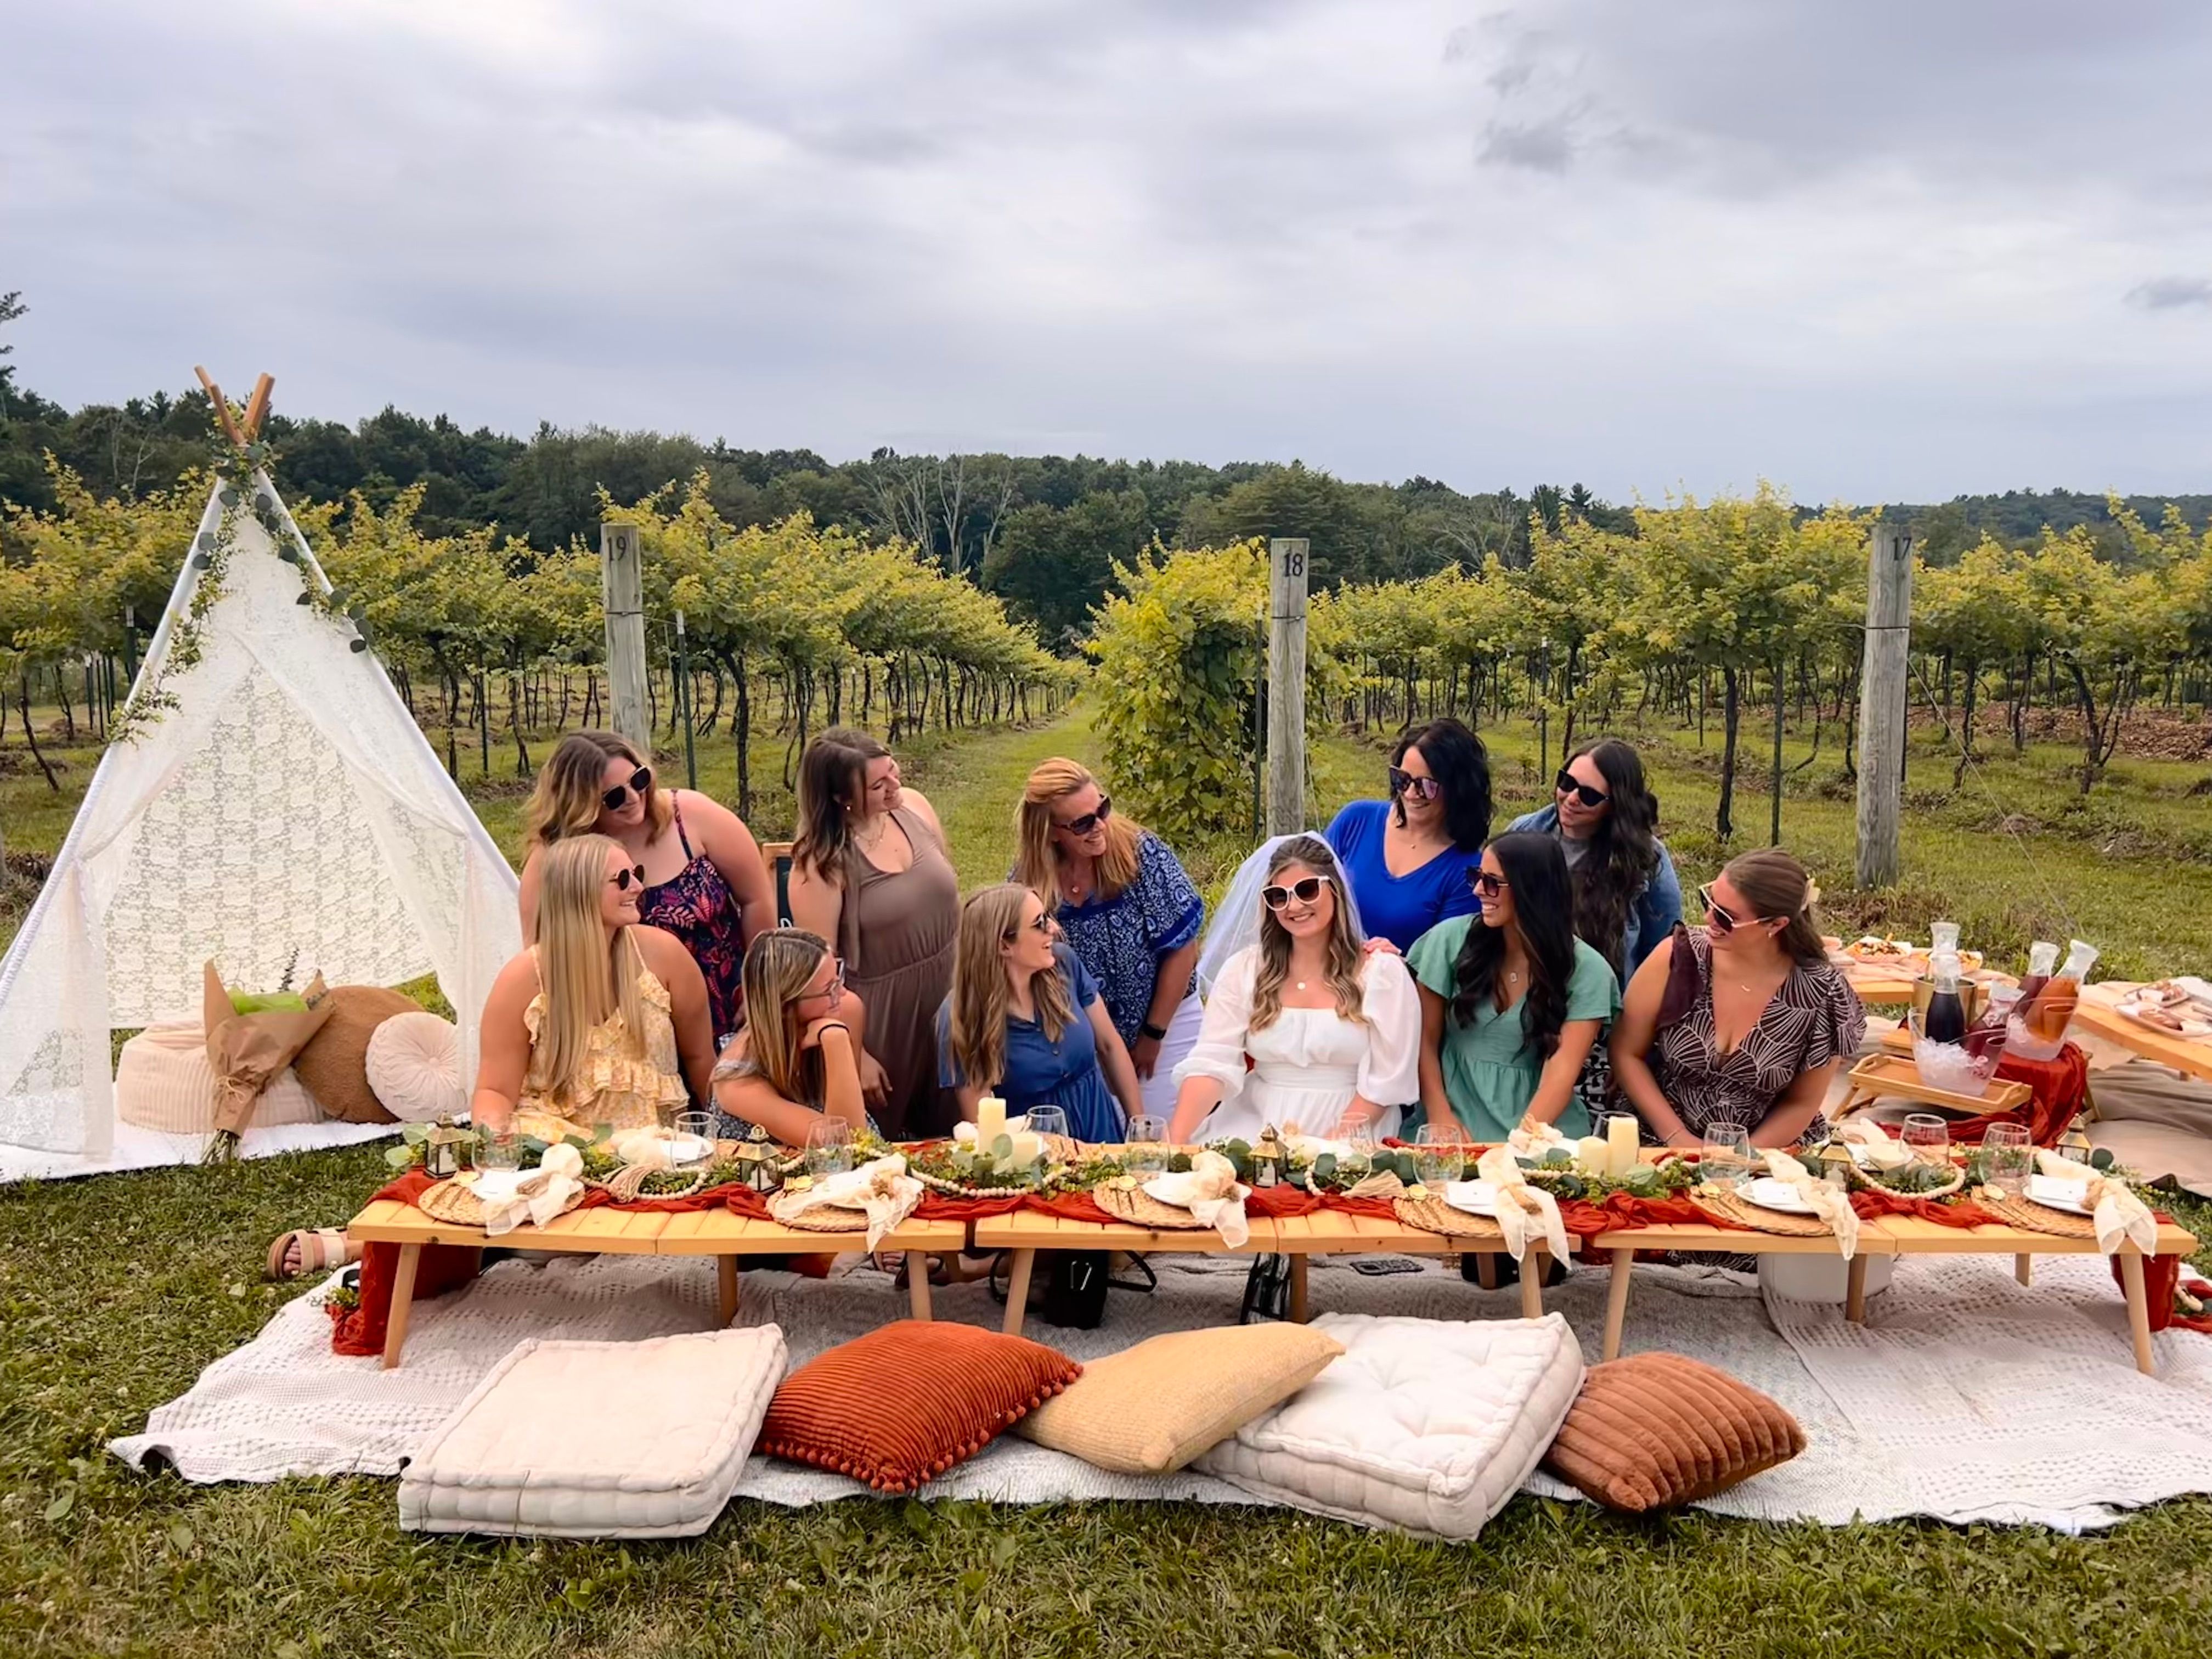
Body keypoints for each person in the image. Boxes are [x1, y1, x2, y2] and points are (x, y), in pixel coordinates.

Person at [518, 731, 775, 1048]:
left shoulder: (691, 815)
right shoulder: (553, 858)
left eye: (638, 780)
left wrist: (760, 990)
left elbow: (756, 898)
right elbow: (540, 956)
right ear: (581, 804)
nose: (633, 797)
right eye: (613, 796)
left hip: (728, 1004)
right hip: (635, 1025)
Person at [1171, 835, 1421, 1144]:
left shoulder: (1381, 973)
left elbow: (1387, 1083)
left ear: (1335, 889)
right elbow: (1212, 1061)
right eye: (1279, 896)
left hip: (1352, 1126)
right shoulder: (1245, 970)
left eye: (1306, 890)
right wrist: (1175, 1140)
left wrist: (1325, 1150)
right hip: (1259, 1122)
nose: (1294, 906)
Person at [1609, 848, 1865, 1149]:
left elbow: (1802, 1103)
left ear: (1776, 925)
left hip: (1768, 1150)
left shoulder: (1822, 992)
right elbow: (1626, 1053)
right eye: (1709, 902)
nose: (1708, 919)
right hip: (1658, 1133)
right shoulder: (1678, 957)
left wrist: (1743, 1158)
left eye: (1726, 917)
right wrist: (1678, 1138)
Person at [472, 834, 717, 1136]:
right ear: (579, 891)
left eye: (637, 874)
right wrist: (496, 1148)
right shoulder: (524, 978)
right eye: (623, 879)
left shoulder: (665, 956)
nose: (638, 887)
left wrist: (722, 1140)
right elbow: (495, 1091)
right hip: (555, 1152)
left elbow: (701, 1059)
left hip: (653, 1154)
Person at [786, 727, 959, 1138]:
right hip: (884, 1018)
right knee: (891, 1145)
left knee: (959, 1134)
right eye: (878, 784)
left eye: (893, 771)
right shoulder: (821, 864)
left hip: (949, 995)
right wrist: (856, 1054)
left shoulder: (914, 808)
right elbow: (818, 972)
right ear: (842, 798)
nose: (895, 786)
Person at [1009, 758, 1205, 1117]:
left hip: (1168, 1020)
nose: (1100, 825)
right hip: (1087, 1032)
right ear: (1051, 831)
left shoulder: (1141, 854)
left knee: (1164, 1132)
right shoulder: (1029, 880)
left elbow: (1183, 947)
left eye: (1103, 808)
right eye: (1083, 822)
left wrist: (1153, 1034)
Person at [1408, 832, 1621, 1142]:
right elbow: (1424, 1043)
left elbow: (1560, 1074)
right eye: (1477, 877)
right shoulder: (1449, 941)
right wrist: (1440, 1117)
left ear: (1532, 891)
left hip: (1539, 1128)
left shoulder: (1588, 971)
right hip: (1454, 1119)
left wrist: (1520, 1146)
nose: (1479, 890)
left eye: (1493, 882)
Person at [938, 884, 1144, 1143]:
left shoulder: (1064, 965)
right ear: (1004, 945)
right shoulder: (962, 1014)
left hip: (1102, 1135)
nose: (1054, 929)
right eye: (1039, 924)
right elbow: (982, 1127)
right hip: (1035, 1159)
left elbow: (1109, 1045)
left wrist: (1139, 1131)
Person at [1506, 738, 1682, 980]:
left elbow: (1663, 949)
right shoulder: (1524, 832)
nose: (1571, 798)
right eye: (1566, 783)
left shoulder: (1646, 858)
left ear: (1616, 803)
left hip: (1602, 996)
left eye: (1589, 795)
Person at [1322, 717, 1492, 952]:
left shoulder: (1467, 871)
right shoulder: (1356, 820)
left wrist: (1399, 963)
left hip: (1393, 987)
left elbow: (1444, 968)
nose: (1412, 793)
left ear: (1459, 790)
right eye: (1403, 780)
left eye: (1427, 786)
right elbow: (1306, 886)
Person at [708, 928, 873, 1148]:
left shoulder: (847, 1008)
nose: (841, 993)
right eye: (829, 989)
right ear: (786, 1007)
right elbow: (841, 1143)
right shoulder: (736, 1080)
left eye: (838, 978)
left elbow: (855, 1130)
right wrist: (836, 1039)